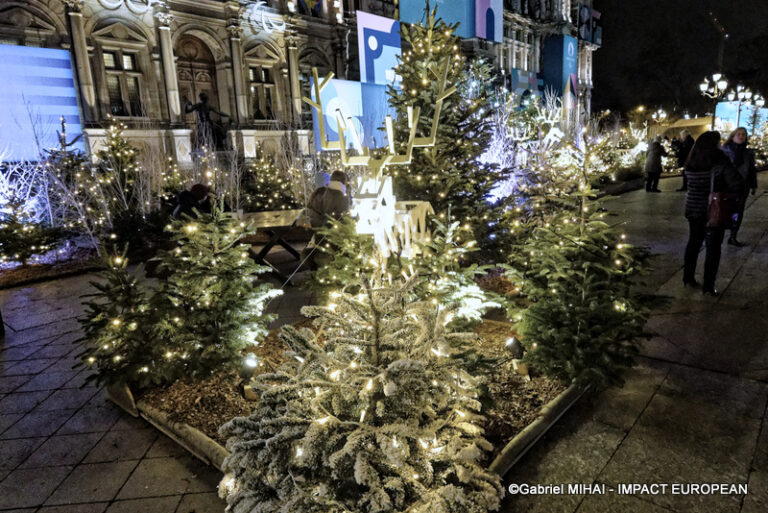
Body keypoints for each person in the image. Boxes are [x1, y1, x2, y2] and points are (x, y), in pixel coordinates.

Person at [682, 131, 745, 295]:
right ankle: (708, 286)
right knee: (713, 248)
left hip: (693, 209)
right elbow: (736, 183)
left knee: (693, 243)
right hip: (713, 211)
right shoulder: (719, 161)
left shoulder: (691, 161)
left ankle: (688, 277)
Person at [721, 127, 757, 246]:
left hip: (742, 186)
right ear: (733, 136)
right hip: (727, 186)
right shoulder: (725, 150)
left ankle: (733, 236)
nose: (741, 136)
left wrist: (753, 185)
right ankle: (720, 233)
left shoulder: (748, 153)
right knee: (724, 209)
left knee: (738, 211)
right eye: (739, 134)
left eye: (743, 134)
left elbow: (752, 170)